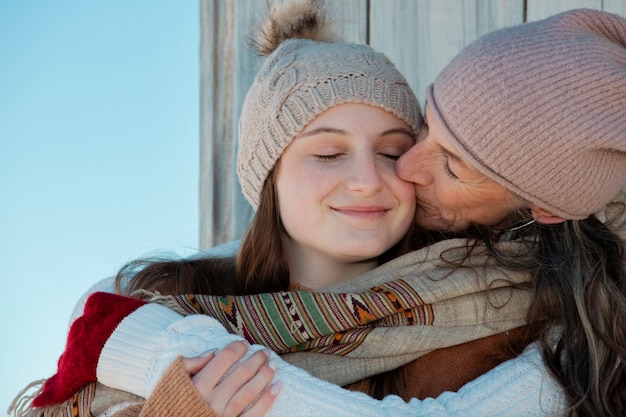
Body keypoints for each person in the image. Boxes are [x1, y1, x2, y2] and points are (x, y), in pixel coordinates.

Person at [11, 4, 626, 417]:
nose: (373, 178)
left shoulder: (509, 322)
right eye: (329, 153)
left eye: (392, 150)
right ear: (268, 178)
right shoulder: (168, 300)